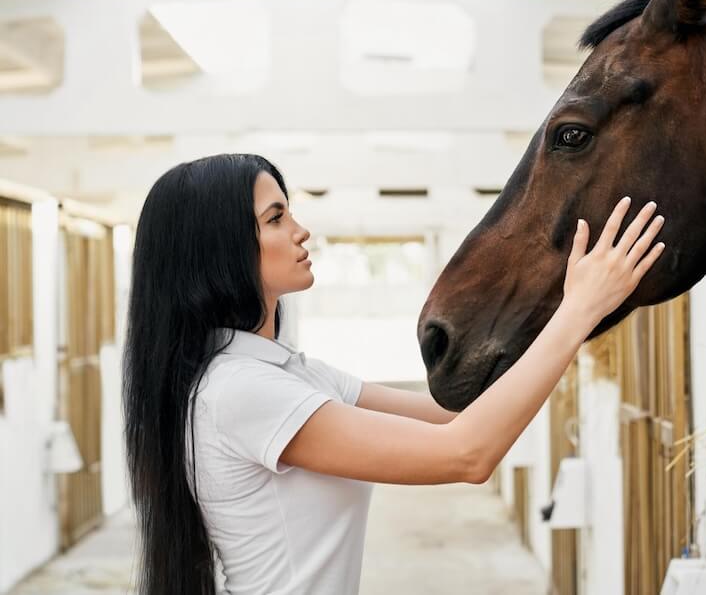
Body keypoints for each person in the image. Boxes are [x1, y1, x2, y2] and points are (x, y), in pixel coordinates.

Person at [122, 153, 665, 595]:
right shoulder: (240, 392)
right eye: (275, 218)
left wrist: (555, 306)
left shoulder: (293, 375)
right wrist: (578, 312)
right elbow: (465, 454)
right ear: (219, 252)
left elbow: (458, 414)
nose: (301, 230)